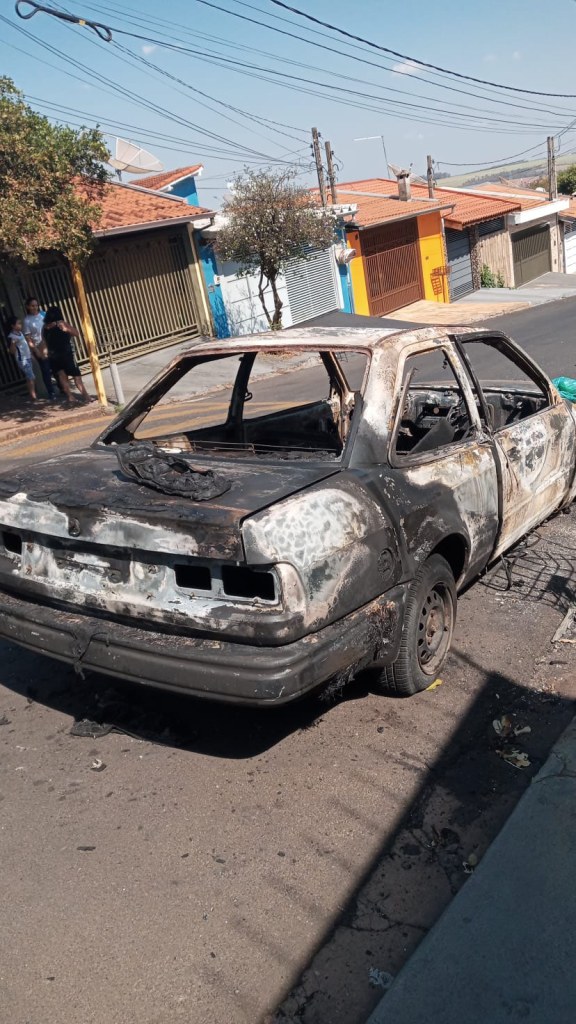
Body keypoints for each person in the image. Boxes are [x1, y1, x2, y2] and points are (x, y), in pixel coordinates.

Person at [43, 305, 91, 404]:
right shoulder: (61, 323)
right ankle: (86, 397)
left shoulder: (45, 328)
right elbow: (76, 333)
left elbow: (44, 342)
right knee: (76, 376)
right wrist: (67, 329)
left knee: (61, 375)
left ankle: (70, 396)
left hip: (54, 356)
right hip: (67, 353)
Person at [23, 296, 56, 400]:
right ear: (28, 307)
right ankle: (51, 392)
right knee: (45, 370)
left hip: (50, 344)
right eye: (32, 306)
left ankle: (63, 387)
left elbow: (51, 325)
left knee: (56, 366)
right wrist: (35, 350)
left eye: (36, 305)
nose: (34, 307)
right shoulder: (27, 321)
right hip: (39, 346)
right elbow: (28, 338)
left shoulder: (43, 314)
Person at [6, 316, 37, 401]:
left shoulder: (20, 333)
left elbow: (25, 346)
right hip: (22, 359)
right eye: (18, 323)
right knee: (31, 376)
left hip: (27, 357)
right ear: (13, 326)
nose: (20, 325)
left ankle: (32, 395)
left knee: (29, 376)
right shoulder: (12, 336)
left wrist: (31, 355)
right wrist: (13, 343)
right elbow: (12, 351)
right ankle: (33, 396)